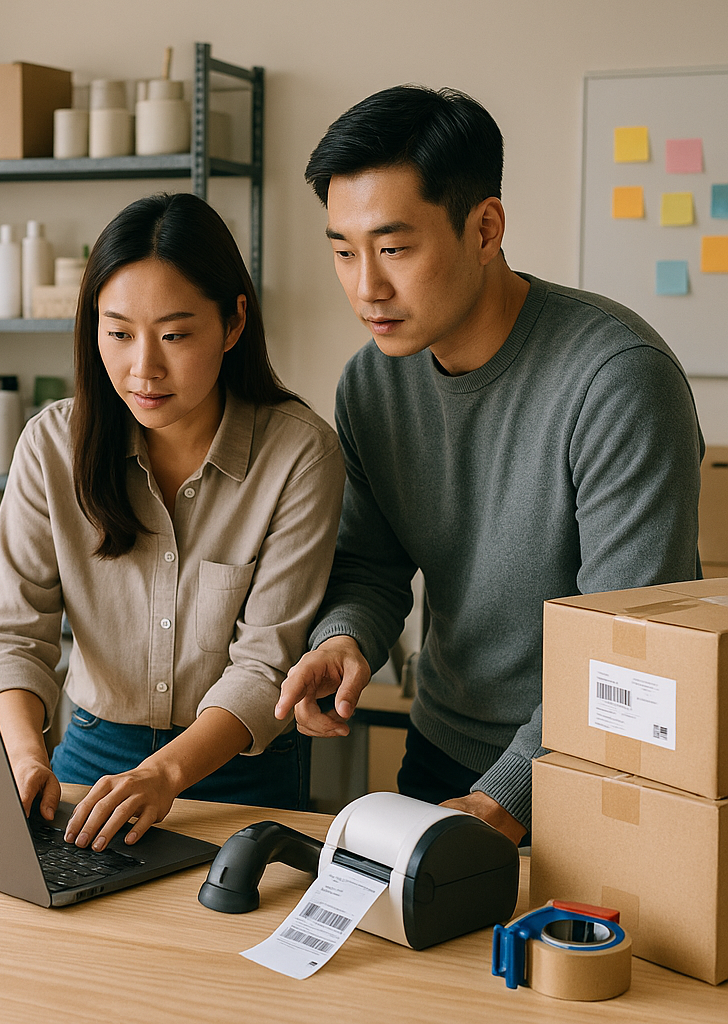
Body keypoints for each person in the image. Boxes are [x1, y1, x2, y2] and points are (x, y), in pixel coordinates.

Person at [275, 85, 703, 845]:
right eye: (343, 251)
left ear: (485, 229)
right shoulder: (371, 384)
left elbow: (625, 651)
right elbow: (372, 565)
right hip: (443, 752)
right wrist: (343, 639)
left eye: (394, 249)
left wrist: (506, 799)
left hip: (600, 770)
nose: (367, 287)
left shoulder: (618, 380)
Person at [0, 192, 345, 853]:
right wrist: (25, 757)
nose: (143, 368)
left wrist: (165, 773)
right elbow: (11, 637)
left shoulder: (299, 454)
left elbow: (265, 663)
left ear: (233, 323)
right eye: (118, 334)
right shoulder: (52, 446)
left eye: (174, 335)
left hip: (238, 769)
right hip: (89, 758)